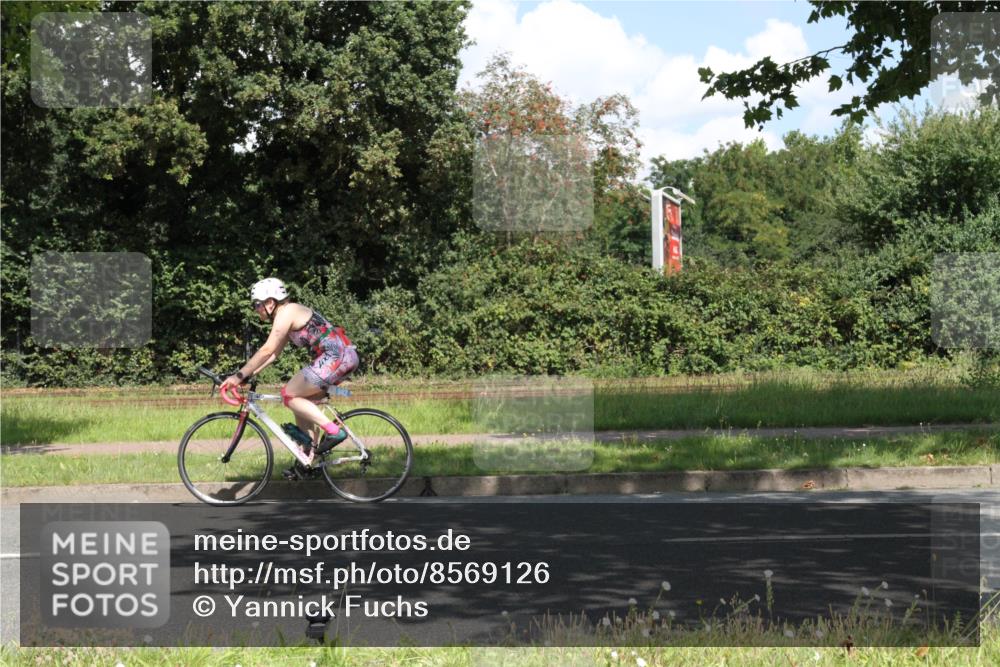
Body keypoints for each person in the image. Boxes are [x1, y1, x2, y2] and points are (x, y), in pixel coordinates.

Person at [220, 277, 359, 478]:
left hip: (336, 356)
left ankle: (333, 431)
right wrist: (251, 374)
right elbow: (274, 353)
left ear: (270, 302)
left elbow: (267, 349)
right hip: (339, 356)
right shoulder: (285, 315)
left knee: (289, 394)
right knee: (301, 404)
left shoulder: (287, 311)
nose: (255, 309)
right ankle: (308, 460)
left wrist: (239, 374)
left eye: (257, 304)